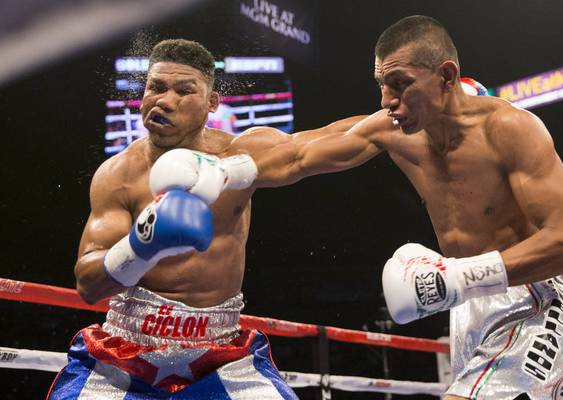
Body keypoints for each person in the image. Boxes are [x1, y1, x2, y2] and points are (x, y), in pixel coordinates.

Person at [154, 16, 563, 400]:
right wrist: (221, 171)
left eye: (400, 84)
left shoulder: (510, 130)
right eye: (382, 85)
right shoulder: (394, 130)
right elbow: (299, 155)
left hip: (543, 292)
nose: (387, 101)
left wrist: (458, 277)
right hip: (469, 302)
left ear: (446, 77)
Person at [47, 39, 365, 399]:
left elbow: (335, 141)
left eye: (184, 91)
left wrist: (402, 114)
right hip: (122, 356)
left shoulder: (239, 155)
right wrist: (141, 246)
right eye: (156, 87)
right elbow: (88, 286)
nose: (165, 101)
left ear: (212, 102)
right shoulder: (117, 174)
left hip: (221, 355)